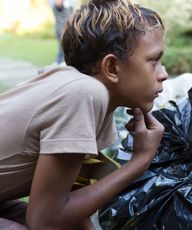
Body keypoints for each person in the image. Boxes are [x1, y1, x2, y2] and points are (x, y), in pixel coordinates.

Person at [0, 0, 168, 229]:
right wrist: (139, 162)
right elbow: (45, 221)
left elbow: (70, 206)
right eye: (154, 61)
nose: (164, 74)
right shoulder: (83, 94)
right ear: (111, 68)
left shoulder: (92, 99)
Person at [48, 0, 78, 65]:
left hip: (67, 7)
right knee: (61, 36)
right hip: (61, 8)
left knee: (66, 36)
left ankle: (63, 59)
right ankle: (60, 59)